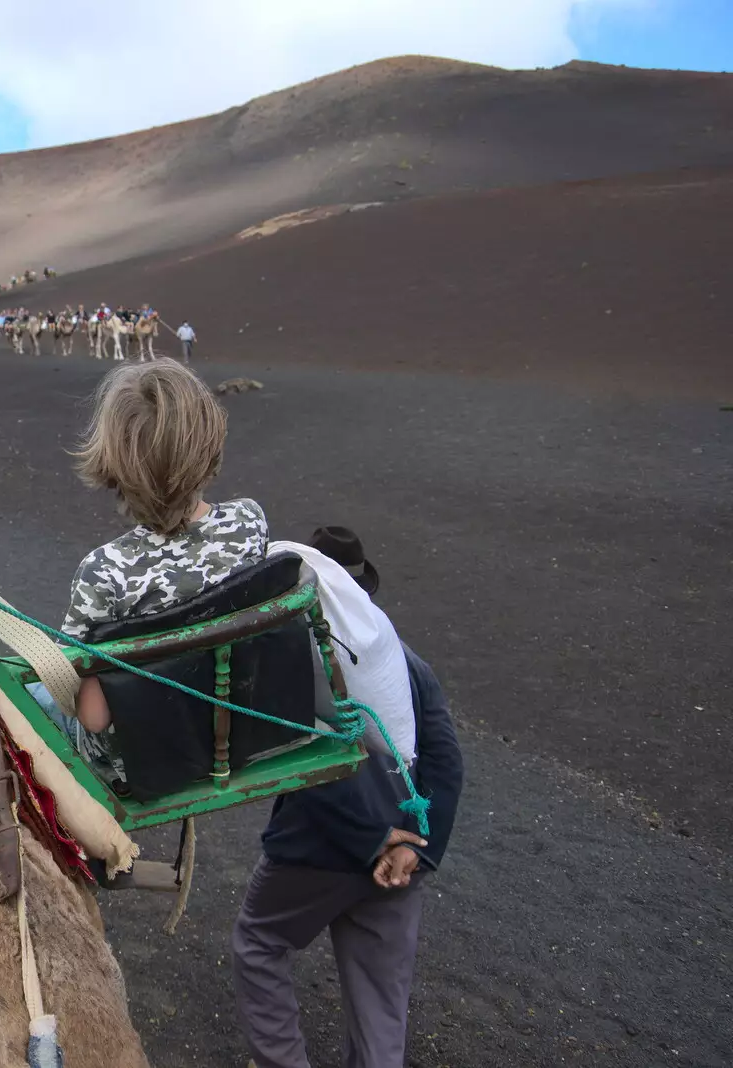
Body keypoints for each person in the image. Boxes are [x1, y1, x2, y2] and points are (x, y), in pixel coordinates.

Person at [231, 532, 463, 1068]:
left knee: (259, 944)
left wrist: (372, 838)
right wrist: (418, 850)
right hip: (408, 842)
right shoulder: (405, 662)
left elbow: (308, 762)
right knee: (381, 997)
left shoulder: (291, 663)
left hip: (320, 849)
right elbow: (446, 760)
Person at [47, 359, 267, 783]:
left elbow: (93, 717)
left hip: (141, 763)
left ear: (113, 464)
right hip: (236, 732)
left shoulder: (103, 573)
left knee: (31, 701)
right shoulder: (249, 522)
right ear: (209, 443)